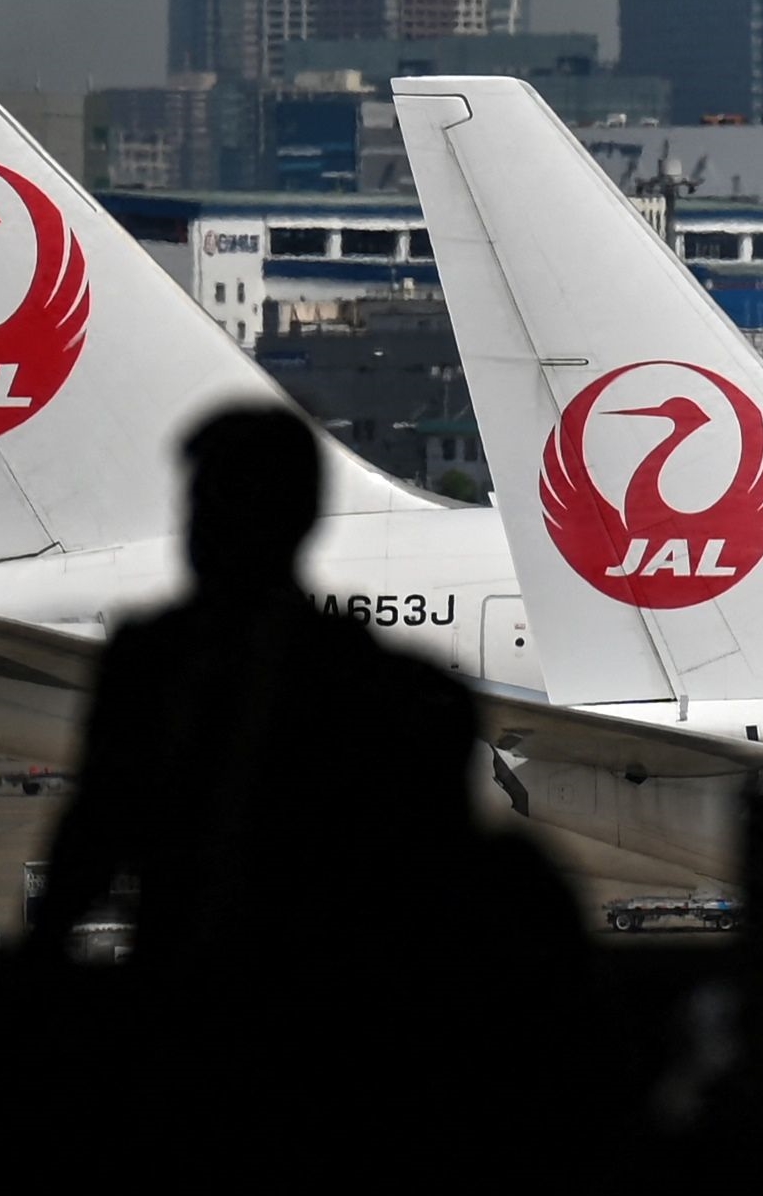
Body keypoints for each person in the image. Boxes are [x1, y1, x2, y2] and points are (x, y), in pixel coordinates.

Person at [29, 405, 492, 974]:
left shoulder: (154, 667)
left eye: (209, 507)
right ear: (308, 520)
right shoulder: (397, 691)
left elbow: (93, 838)